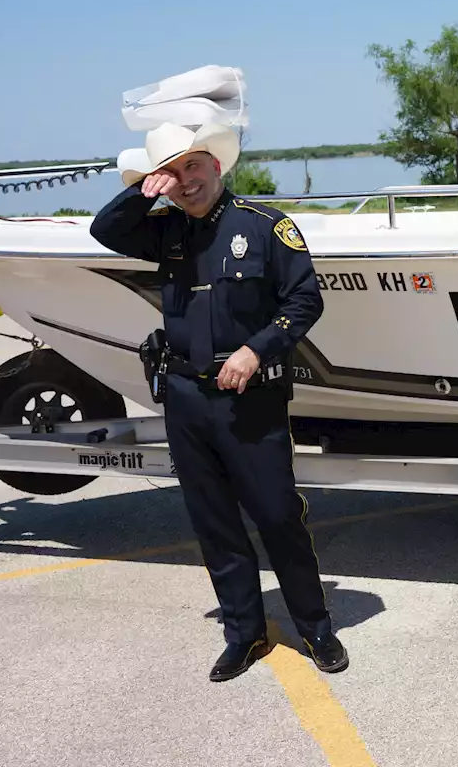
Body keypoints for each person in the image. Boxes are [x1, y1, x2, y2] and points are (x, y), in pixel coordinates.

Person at [90, 120, 347, 682]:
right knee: (214, 524)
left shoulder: (265, 228)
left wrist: (256, 351)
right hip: (184, 399)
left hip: (250, 401)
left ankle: (316, 627)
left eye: (193, 166)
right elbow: (104, 229)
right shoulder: (164, 231)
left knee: (279, 517)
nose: (186, 181)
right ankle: (244, 633)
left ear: (216, 165)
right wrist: (142, 189)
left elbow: (305, 300)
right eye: (173, 172)